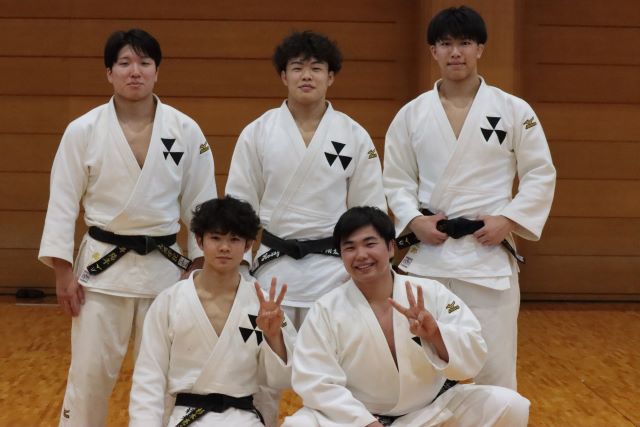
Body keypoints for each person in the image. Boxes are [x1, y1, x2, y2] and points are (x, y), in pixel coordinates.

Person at [38, 29, 216, 426]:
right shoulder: (83, 130)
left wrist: (199, 265)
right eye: (124, 63)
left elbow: (201, 204)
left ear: (157, 71)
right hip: (101, 272)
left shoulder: (185, 130)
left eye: (144, 63)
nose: (135, 71)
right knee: (89, 376)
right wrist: (63, 272)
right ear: (109, 73)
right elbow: (62, 202)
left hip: (165, 272)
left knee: (167, 377)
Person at [382, 6, 556, 389]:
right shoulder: (411, 115)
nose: (455, 52)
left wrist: (508, 220)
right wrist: (414, 220)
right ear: (433, 51)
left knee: (493, 369)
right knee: (423, 371)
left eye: (464, 43)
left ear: (480, 48)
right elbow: (395, 178)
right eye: (445, 44)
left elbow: (540, 173)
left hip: (487, 259)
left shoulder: (514, 110)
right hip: (430, 259)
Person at [282, 207, 530, 427]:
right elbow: (315, 380)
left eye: (370, 244)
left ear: (391, 247)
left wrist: (435, 335)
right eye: (350, 247)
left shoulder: (430, 292)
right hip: (362, 417)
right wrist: (365, 422)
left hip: (432, 409)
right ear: (341, 255)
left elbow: (473, 353)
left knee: (510, 405)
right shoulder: (326, 309)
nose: (361, 255)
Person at [226, 30, 386, 329]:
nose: (307, 76)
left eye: (316, 68)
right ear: (284, 76)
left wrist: (364, 264)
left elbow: (370, 209)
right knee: (269, 353)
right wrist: (241, 264)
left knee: (334, 352)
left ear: (331, 77)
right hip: (273, 267)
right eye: (297, 68)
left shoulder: (354, 135)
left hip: (334, 271)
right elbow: (239, 206)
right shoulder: (258, 132)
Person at [129, 196, 296, 426]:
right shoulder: (170, 301)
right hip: (186, 418)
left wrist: (273, 336)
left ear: (248, 245)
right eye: (215, 238)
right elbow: (149, 377)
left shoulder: (264, 305)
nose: (224, 247)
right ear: (199, 241)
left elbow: (282, 379)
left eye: (234, 239)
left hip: (243, 419)